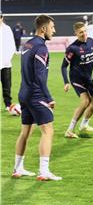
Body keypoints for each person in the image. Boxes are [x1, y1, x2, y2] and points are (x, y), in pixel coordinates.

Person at [13, 15, 62, 181]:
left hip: (23, 93)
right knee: (48, 130)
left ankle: (18, 168)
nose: (54, 31)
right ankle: (44, 171)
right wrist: (48, 97)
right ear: (43, 28)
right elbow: (40, 76)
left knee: (25, 131)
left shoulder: (27, 44)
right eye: (52, 27)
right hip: (36, 95)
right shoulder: (41, 48)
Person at [61, 22, 93, 138]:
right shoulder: (72, 48)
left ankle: (83, 125)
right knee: (85, 101)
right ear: (76, 33)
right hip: (76, 78)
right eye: (81, 32)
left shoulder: (91, 41)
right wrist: (66, 82)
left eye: (85, 31)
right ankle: (69, 130)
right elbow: (63, 66)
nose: (84, 34)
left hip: (88, 78)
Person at [0, 12, 17, 115]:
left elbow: (12, 46)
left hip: (6, 63)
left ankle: (8, 104)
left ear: (2, 17)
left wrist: (7, 59)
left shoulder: (7, 29)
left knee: (7, 85)